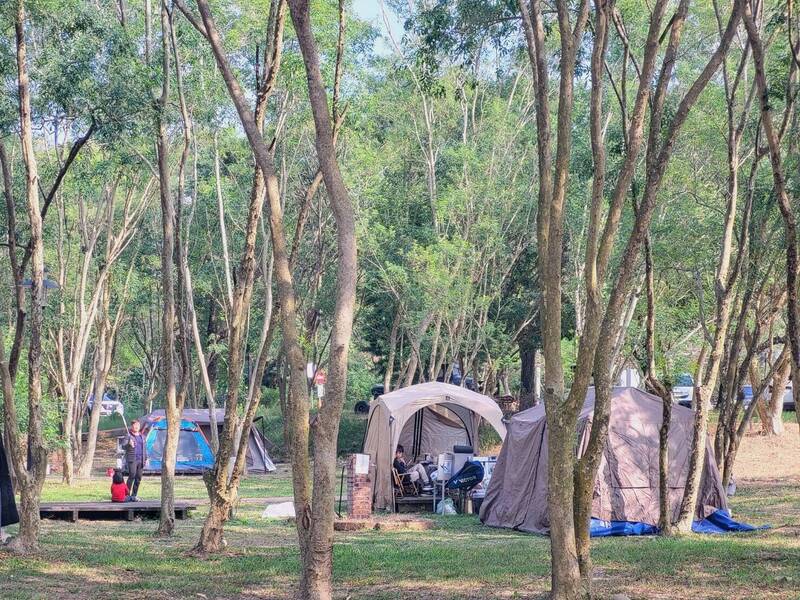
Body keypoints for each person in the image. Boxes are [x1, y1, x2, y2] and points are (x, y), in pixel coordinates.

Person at [124, 419, 147, 501]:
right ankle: (126, 495)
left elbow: (144, 448)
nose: (136, 427)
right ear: (132, 426)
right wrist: (128, 444)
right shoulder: (128, 436)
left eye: (138, 425)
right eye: (135, 425)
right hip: (132, 459)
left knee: (138, 478)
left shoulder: (142, 436)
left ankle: (134, 495)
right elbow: (123, 447)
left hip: (141, 459)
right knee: (132, 476)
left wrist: (146, 458)